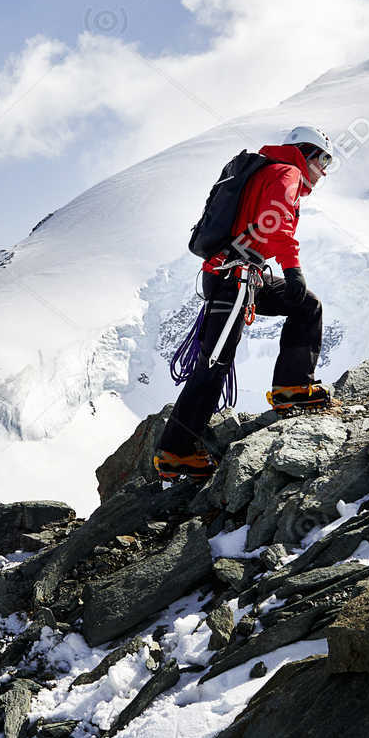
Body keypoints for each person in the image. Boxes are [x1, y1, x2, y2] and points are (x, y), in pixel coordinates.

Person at [153, 126, 334, 480]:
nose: (324, 170)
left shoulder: (266, 168)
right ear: (307, 153)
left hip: (239, 274)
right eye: (323, 159)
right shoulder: (287, 171)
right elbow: (277, 221)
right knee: (215, 362)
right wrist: (292, 269)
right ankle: (177, 450)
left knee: (306, 306)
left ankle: (293, 388)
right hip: (234, 277)